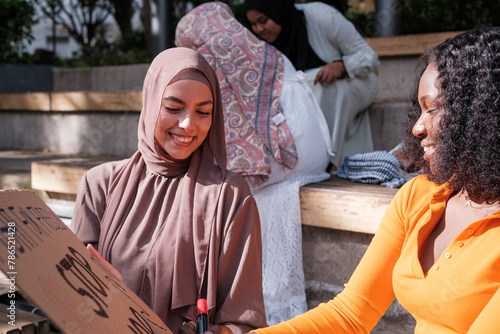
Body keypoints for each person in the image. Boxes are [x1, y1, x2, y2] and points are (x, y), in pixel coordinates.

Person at [251, 27, 500, 333]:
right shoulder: (418, 196)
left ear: (482, 115)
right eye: (419, 110)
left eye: (432, 109)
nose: (417, 128)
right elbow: (351, 314)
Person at [70, 47, 267, 334]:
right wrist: (101, 291)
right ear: (150, 104)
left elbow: (242, 320)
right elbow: (70, 298)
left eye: (203, 112)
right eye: (173, 108)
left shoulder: (229, 196)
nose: (188, 124)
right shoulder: (99, 185)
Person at [175, 2, 331, 325]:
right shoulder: (248, 45)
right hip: (312, 149)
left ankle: (245, 300)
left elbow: (226, 131)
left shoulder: (218, 53)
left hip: (292, 148)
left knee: (218, 186)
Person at [244, 0, 379, 169]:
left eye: (263, 21)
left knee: (313, 83)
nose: (259, 29)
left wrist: (342, 65)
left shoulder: (323, 17)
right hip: (317, 90)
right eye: (253, 24)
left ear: (278, 11)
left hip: (358, 81)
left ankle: (324, 158)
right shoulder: (266, 44)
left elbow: (369, 57)